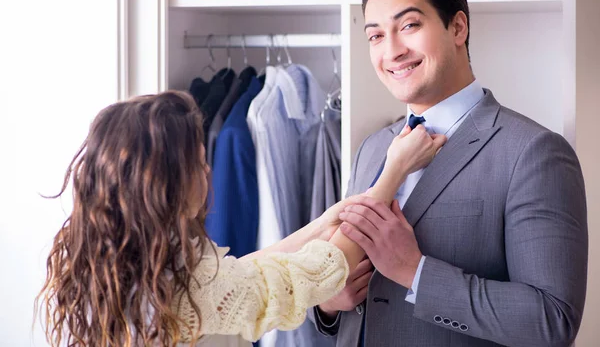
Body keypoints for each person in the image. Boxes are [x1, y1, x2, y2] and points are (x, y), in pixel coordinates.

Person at [310, 0, 588, 347]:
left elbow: (551, 321)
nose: (391, 51)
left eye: (409, 26)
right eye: (375, 36)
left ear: (458, 27)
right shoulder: (372, 149)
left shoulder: (534, 153)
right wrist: (328, 306)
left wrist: (415, 272)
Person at [35, 90, 445, 347]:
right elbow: (318, 272)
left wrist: (323, 223)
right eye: (199, 163)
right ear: (167, 183)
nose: (209, 172)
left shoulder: (115, 263)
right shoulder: (199, 287)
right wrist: (393, 172)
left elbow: (239, 273)